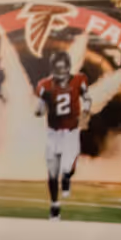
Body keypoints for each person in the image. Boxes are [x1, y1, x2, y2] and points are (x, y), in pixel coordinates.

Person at [32, 50, 88, 221]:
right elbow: (39, 111)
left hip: (71, 131)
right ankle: (54, 205)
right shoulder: (45, 85)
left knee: (68, 168)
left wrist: (86, 113)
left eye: (63, 69)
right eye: (58, 69)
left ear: (69, 68)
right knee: (52, 171)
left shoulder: (79, 80)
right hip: (53, 132)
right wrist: (41, 107)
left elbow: (87, 98)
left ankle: (67, 178)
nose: (61, 73)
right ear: (52, 69)